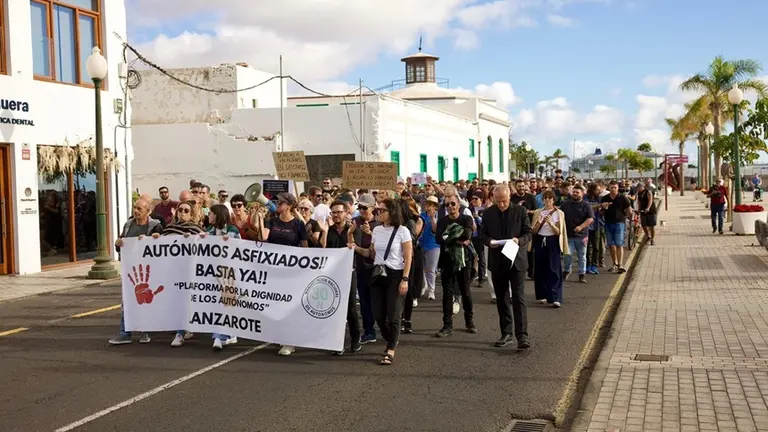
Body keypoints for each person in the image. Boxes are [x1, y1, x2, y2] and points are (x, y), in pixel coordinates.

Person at [350, 198, 412, 365]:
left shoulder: (403, 231)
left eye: (381, 210)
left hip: (395, 275)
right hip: (378, 274)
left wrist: (405, 279)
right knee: (378, 314)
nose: (377, 213)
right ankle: (390, 337)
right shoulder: (376, 230)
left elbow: (408, 257)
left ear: (391, 212)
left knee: (393, 315)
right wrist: (356, 248)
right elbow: (371, 253)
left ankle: (390, 349)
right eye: (377, 210)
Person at [252, 192, 308, 355]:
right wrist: (261, 219)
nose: (277, 204)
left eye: (281, 202)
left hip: (291, 271)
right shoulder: (272, 221)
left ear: (289, 206)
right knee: (275, 304)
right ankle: (280, 335)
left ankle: (290, 341)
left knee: (288, 305)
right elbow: (263, 238)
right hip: (274, 270)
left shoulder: (298, 224)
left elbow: (305, 248)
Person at [480, 186, 532, 349]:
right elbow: (482, 234)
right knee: (502, 299)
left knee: (518, 298)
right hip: (498, 260)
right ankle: (506, 333)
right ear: (493, 198)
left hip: (516, 260)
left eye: (504, 201)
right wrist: (489, 242)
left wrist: (518, 241)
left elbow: (528, 233)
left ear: (510, 197)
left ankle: (522, 336)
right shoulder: (488, 213)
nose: (502, 204)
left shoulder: (520, 211)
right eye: (498, 201)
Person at [108, 198, 163, 345]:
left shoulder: (155, 226)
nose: (136, 211)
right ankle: (124, 333)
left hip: (149, 270)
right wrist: (118, 243)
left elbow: (161, 245)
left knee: (146, 301)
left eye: (140, 209)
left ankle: (146, 331)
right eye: (135, 208)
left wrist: (152, 239)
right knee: (127, 300)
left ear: (148, 211)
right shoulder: (128, 224)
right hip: (131, 270)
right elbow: (121, 244)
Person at [151, 200, 205, 347]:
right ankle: (182, 328)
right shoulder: (169, 228)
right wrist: (154, 238)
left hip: (189, 271)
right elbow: (159, 246)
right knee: (176, 301)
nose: (182, 213)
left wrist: (194, 239)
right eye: (180, 210)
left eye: (186, 211)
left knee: (185, 301)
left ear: (192, 214)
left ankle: (180, 333)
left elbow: (205, 246)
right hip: (171, 271)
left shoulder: (196, 229)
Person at [434, 192, 476, 338]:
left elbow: (467, 234)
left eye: (453, 203)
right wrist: (455, 238)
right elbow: (439, 239)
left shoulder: (466, 218)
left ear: (458, 205)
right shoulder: (442, 221)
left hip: (464, 260)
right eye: (447, 204)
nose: (450, 206)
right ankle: (447, 325)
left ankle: (469, 321)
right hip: (447, 260)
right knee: (447, 293)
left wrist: (450, 237)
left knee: (465, 292)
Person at [201, 204, 241, 351]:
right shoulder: (209, 231)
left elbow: (239, 249)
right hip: (213, 273)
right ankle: (220, 335)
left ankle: (223, 335)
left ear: (218, 215)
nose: (209, 216)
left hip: (229, 273)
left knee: (226, 304)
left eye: (211, 213)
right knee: (216, 305)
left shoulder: (232, 230)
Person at [324, 200, 360, 355]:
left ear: (346, 213)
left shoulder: (353, 229)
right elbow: (324, 249)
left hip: (349, 273)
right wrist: (324, 231)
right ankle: (337, 343)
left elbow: (355, 248)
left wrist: (350, 234)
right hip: (333, 274)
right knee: (335, 309)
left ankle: (355, 338)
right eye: (334, 212)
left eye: (339, 212)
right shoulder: (330, 230)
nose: (336, 215)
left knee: (351, 308)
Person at [349, 193, 380, 344]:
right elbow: (349, 242)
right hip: (360, 266)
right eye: (359, 207)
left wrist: (371, 233)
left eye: (364, 208)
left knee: (378, 301)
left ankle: (386, 328)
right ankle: (369, 331)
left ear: (373, 208)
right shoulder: (354, 221)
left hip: (377, 268)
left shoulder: (380, 224)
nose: (361, 210)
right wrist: (350, 232)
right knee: (365, 301)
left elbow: (384, 244)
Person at [531, 190, 568, 307]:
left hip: (552, 241)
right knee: (540, 269)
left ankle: (556, 297)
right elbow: (534, 231)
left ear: (553, 200)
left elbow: (558, 232)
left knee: (554, 269)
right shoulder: (538, 212)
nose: (547, 200)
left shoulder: (559, 213)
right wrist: (538, 223)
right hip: (540, 240)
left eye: (550, 198)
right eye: (545, 198)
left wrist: (551, 223)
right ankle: (543, 295)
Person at [559, 185, 594, 283]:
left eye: (577, 192)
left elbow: (590, 219)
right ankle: (567, 270)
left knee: (581, 256)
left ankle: (581, 274)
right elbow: (559, 215)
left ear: (582, 194)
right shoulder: (565, 204)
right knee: (567, 255)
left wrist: (581, 227)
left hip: (582, 236)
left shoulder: (586, 205)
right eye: (573, 192)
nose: (575, 194)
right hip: (568, 235)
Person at [600, 181, 631, 273]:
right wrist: (603, 208)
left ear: (618, 188)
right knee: (610, 244)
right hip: (608, 223)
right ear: (608, 188)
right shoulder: (605, 198)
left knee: (619, 244)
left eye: (615, 187)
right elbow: (601, 212)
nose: (613, 189)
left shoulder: (622, 198)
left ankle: (620, 265)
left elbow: (629, 210)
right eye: (611, 187)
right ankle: (614, 263)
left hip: (619, 223)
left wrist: (624, 217)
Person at [419, 196, 440, 300]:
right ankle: (424, 286)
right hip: (421, 244)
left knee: (431, 269)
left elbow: (435, 230)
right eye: (427, 204)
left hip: (433, 245)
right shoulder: (421, 215)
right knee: (422, 268)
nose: (428, 206)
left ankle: (431, 290)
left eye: (431, 204)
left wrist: (432, 218)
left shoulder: (438, 216)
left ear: (435, 206)